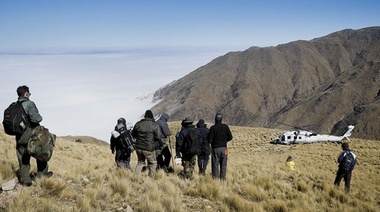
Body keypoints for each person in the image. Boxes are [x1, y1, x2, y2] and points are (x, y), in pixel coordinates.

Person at [14, 85, 53, 187]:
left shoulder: (13, 105)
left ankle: (25, 180)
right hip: (31, 134)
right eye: (29, 93)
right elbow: (36, 119)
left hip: (19, 135)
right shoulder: (29, 104)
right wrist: (40, 116)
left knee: (23, 157)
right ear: (26, 93)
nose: (30, 95)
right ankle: (42, 175)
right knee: (41, 153)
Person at [132, 110, 162, 177]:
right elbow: (159, 136)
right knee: (152, 163)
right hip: (149, 148)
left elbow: (133, 135)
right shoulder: (154, 125)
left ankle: (135, 177)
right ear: (152, 117)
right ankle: (150, 179)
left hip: (138, 147)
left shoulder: (138, 124)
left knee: (140, 162)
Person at [208, 113, 233, 180]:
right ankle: (223, 180)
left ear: (215, 119)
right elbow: (230, 137)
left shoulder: (213, 128)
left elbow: (209, 140)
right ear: (221, 119)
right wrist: (225, 141)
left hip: (216, 149)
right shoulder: (225, 127)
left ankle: (215, 180)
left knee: (215, 165)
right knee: (224, 165)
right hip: (224, 149)